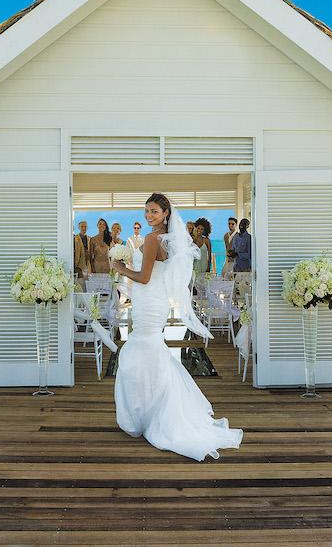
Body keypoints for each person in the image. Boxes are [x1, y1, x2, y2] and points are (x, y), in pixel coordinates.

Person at [109, 192, 243, 461]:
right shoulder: (168, 242)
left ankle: (151, 414)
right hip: (155, 301)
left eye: (154, 212)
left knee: (138, 351)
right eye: (146, 211)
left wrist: (120, 268)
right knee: (149, 351)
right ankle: (152, 411)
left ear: (166, 214)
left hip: (148, 301)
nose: (149, 216)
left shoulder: (151, 239)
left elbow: (144, 277)